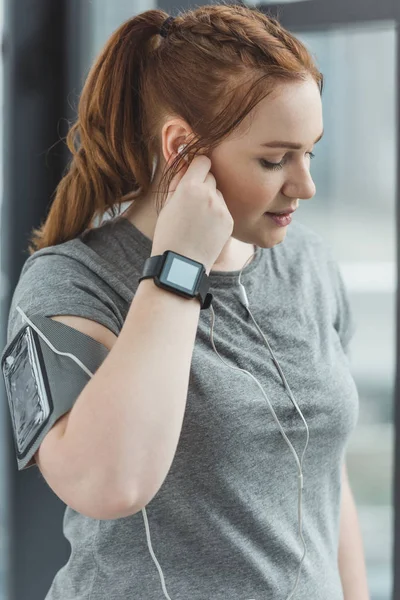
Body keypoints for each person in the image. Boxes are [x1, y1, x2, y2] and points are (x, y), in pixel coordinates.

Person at [1, 4, 370, 599]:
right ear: (181, 150)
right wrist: (178, 269)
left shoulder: (311, 265)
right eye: (275, 159)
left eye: (310, 152)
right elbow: (109, 483)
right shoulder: (72, 281)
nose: (305, 186)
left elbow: (326, 479)